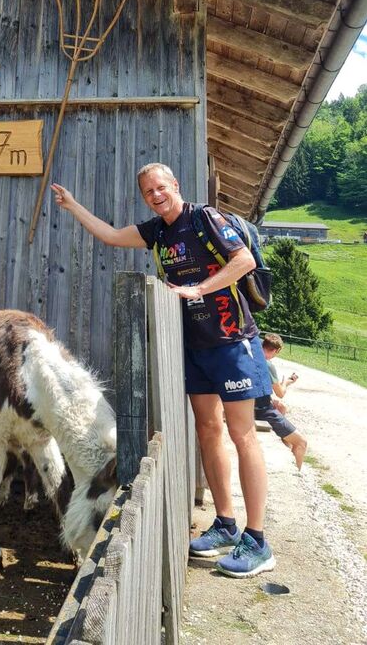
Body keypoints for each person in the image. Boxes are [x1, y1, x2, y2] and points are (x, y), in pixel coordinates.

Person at [52, 163, 276, 578]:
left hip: (231, 340)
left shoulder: (205, 219)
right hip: (195, 346)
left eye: (160, 187)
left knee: (242, 434)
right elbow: (110, 235)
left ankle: (258, 540)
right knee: (208, 429)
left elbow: (243, 260)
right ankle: (226, 524)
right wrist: (72, 206)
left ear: (175, 185)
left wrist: (199, 288)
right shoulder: (156, 232)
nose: (156, 195)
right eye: (148, 192)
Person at [255, 333, 307, 470]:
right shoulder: (267, 364)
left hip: (250, 403)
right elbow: (280, 393)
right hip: (261, 410)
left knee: (281, 407)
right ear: (275, 350)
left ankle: (286, 443)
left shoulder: (253, 356)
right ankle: (298, 473)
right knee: (302, 443)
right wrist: (286, 382)